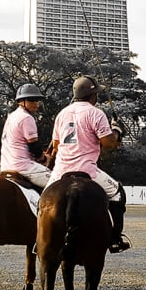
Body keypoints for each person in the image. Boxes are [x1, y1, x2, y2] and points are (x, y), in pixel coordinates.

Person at [47, 76, 130, 253]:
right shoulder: (96, 113)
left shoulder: (62, 114)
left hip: (60, 171)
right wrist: (117, 130)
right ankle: (116, 239)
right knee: (118, 193)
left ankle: (38, 240)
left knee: (43, 201)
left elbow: (55, 145)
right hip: (87, 170)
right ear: (92, 96)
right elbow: (108, 143)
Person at [0, 83, 51, 190]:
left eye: (37, 100)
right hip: (24, 167)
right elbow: (33, 146)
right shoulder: (27, 118)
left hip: (5, 167)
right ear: (21, 102)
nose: (36, 104)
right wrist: (43, 158)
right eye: (31, 100)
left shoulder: (12, 116)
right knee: (58, 184)